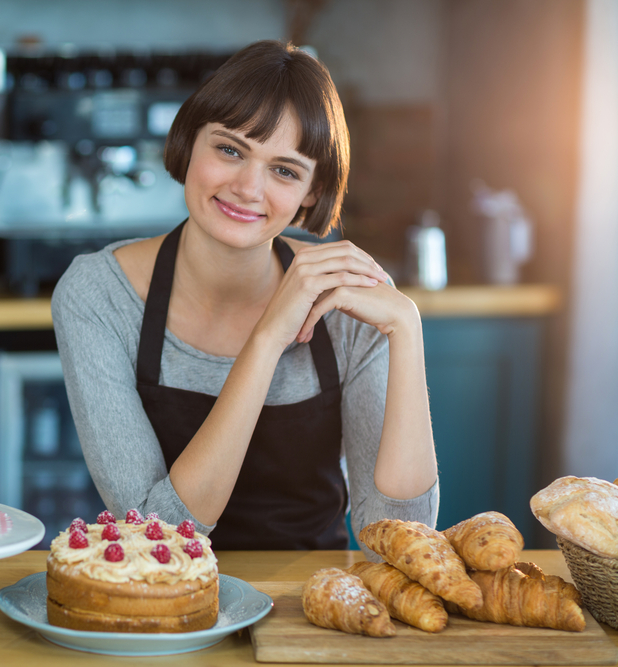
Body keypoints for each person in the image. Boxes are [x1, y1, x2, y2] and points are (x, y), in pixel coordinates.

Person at [51, 40, 438, 552]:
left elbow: (397, 541)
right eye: (230, 149)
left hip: (312, 613)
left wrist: (406, 330)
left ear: (312, 195)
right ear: (189, 144)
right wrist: (267, 338)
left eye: (284, 170)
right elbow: (154, 535)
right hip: (165, 609)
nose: (248, 188)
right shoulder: (98, 294)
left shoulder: (348, 305)